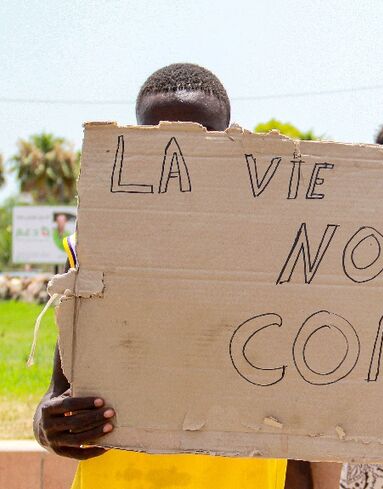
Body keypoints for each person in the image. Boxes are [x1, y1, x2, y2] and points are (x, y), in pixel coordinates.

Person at [34, 62, 291, 489]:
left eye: (199, 139)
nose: (179, 155)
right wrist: (54, 428)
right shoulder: (92, 246)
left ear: (229, 139)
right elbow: (57, 393)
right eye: (161, 140)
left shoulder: (281, 245)